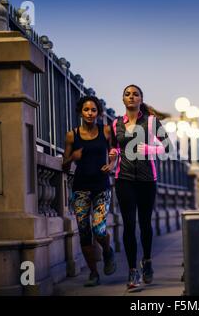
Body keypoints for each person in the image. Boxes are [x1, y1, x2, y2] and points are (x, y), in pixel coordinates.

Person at [111, 84, 171, 291]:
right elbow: (115, 147)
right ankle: (132, 270)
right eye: (127, 94)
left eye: (135, 94)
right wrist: (112, 156)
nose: (131, 97)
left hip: (147, 180)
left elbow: (167, 147)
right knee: (128, 225)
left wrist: (148, 149)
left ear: (140, 99)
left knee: (145, 224)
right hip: (124, 179)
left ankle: (146, 261)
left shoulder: (152, 122)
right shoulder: (116, 123)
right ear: (123, 99)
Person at [63, 95, 117, 287]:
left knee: (99, 228)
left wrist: (112, 164)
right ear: (80, 112)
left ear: (98, 113)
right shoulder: (72, 135)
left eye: (93, 110)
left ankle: (108, 251)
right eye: (86, 109)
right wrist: (72, 157)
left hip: (101, 186)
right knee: (85, 232)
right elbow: (64, 165)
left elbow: (114, 153)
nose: (90, 113)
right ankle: (94, 273)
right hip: (81, 188)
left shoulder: (106, 131)